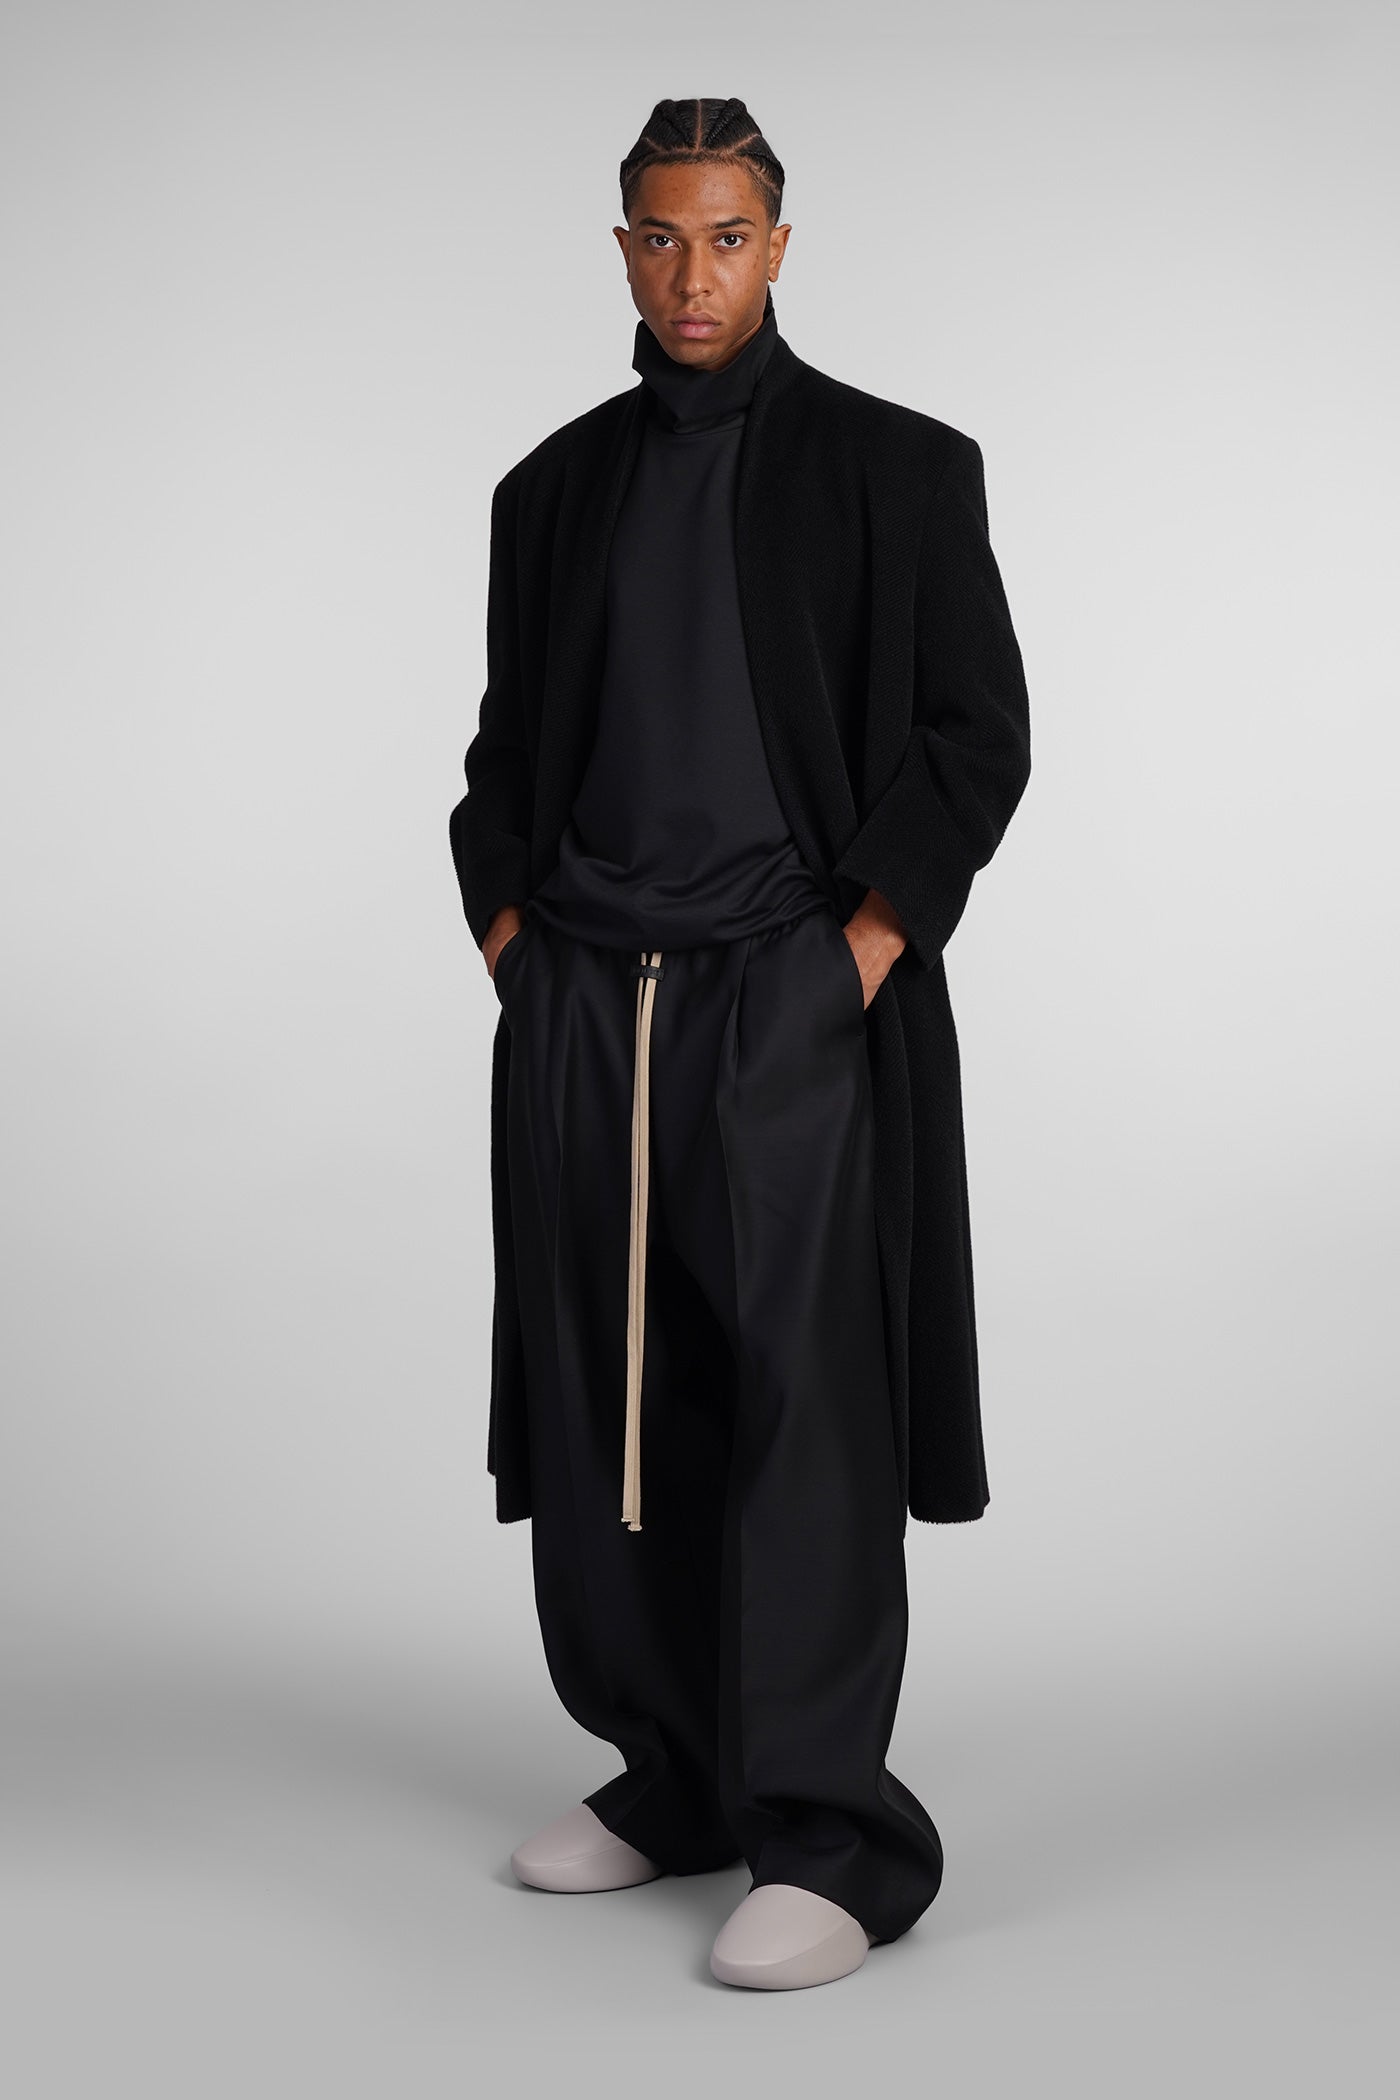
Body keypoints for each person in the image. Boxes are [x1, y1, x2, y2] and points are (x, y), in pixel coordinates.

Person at [449, 96, 1031, 1991]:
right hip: (583, 999)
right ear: (621, 248)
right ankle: (674, 1772)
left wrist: (854, 952)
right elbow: (506, 753)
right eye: (659, 236)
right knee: (607, 1396)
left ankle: (834, 1835)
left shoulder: (898, 470)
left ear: (780, 246)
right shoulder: (550, 491)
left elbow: (976, 735)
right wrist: (513, 935)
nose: (690, 274)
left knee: (805, 1407)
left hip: (782, 995)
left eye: (725, 237)